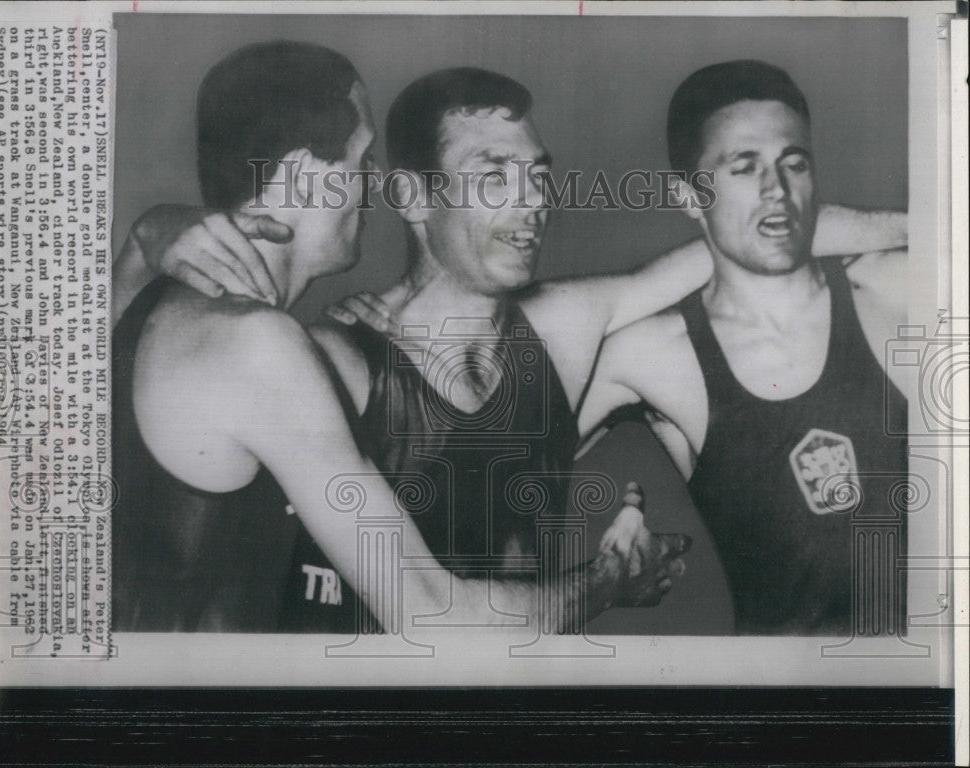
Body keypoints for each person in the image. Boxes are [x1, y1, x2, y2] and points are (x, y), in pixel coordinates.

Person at [115, 62, 906, 629]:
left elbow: (744, 234)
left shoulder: (564, 329)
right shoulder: (322, 358)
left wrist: (921, 221)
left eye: (538, 175)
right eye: (495, 176)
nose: (532, 203)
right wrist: (606, 582)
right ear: (414, 197)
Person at [112, 42, 683, 634]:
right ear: (309, 177)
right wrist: (611, 580)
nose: (373, 182)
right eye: (362, 160)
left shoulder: (156, 304)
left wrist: (145, 235)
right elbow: (437, 621)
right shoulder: (256, 346)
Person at [578, 60, 909, 635]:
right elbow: (485, 470)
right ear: (690, 196)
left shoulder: (893, 292)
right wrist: (606, 565)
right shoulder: (649, 352)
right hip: (783, 702)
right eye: (744, 167)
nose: (776, 190)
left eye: (794, 164)